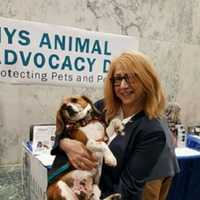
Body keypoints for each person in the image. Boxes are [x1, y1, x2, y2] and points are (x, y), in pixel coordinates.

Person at [51, 50, 179, 200]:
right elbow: (65, 128)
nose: (123, 85)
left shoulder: (151, 130)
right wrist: (65, 144)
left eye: (131, 78)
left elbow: (127, 189)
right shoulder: (103, 107)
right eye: (118, 78)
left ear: (146, 80)